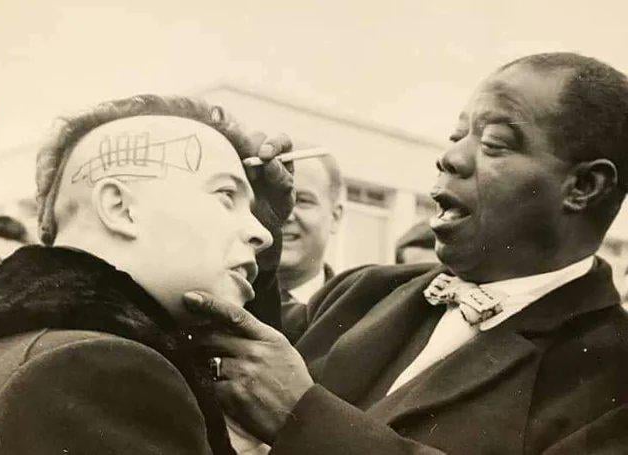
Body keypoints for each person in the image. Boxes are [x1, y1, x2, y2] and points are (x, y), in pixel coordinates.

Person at [189, 52, 628, 454]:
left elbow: (285, 404)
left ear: (585, 187)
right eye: (457, 135)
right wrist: (253, 233)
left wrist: (305, 419)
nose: (451, 157)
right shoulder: (364, 290)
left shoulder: (612, 376)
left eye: (494, 143)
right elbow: (231, 367)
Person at [0, 94, 294, 454]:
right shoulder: (101, 371)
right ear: (119, 207)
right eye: (226, 194)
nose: (264, 234)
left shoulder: (32, 349)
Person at [277, 153, 343, 342]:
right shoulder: (220, 302)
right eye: (274, 200)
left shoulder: (357, 315)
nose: (286, 216)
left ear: (335, 217)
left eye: (303, 201)